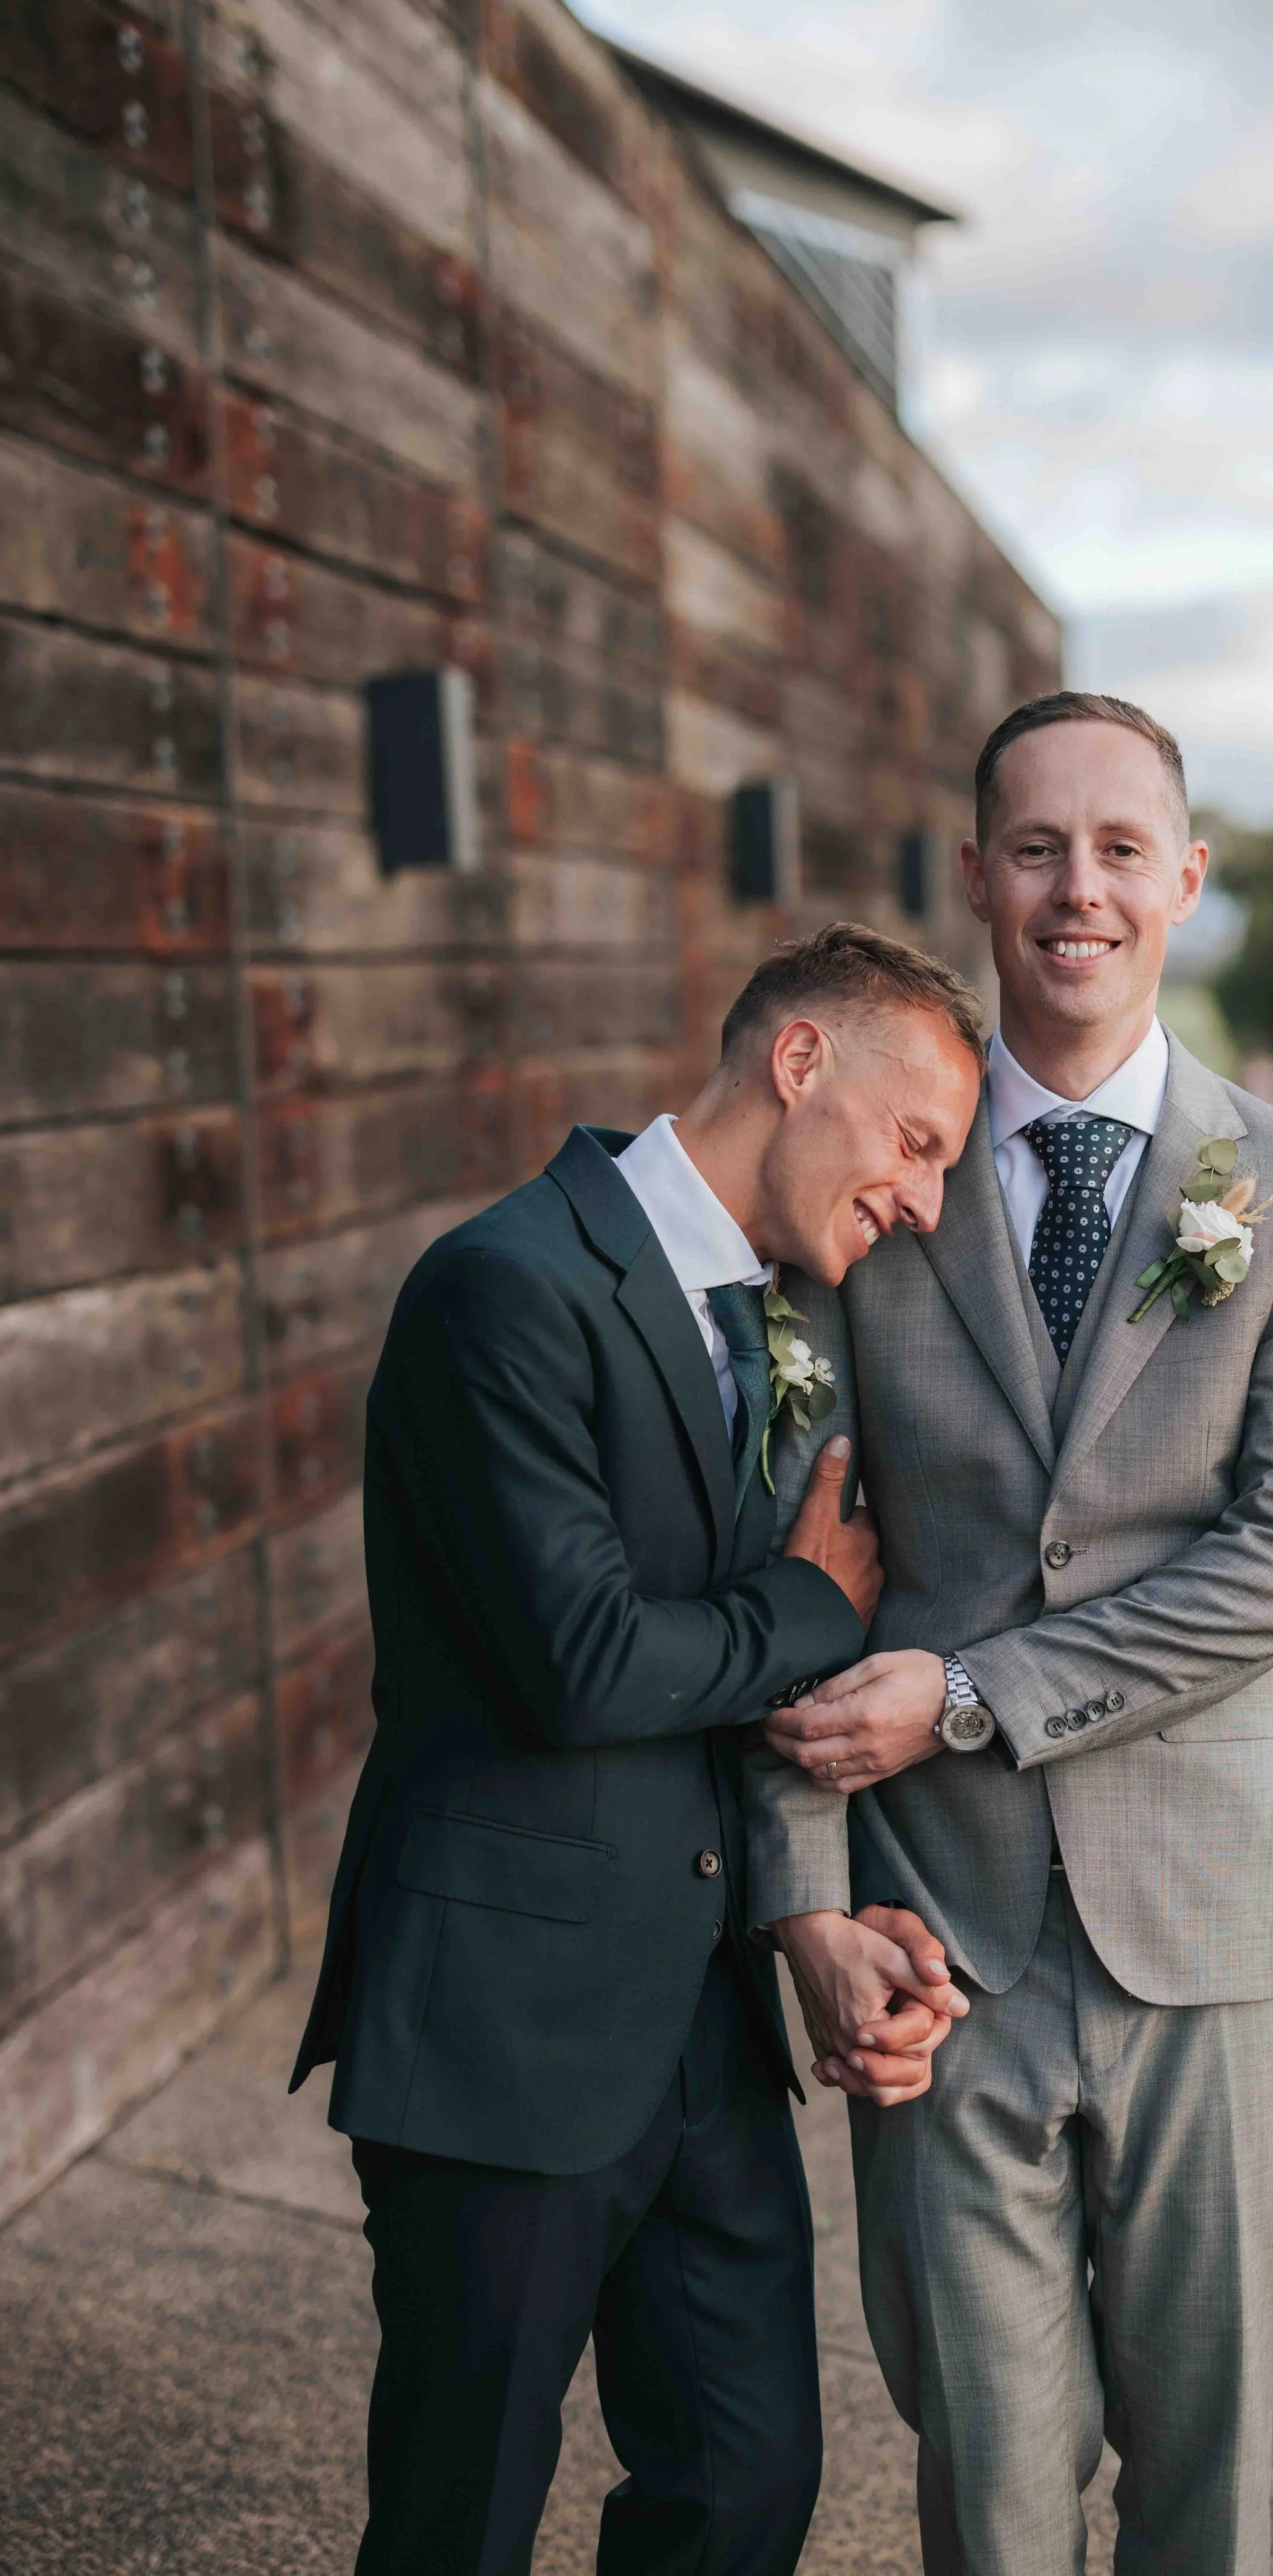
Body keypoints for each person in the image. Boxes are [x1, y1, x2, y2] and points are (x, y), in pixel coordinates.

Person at [753, 693, 1273, 2576]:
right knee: (987, 2485)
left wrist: (965, 1695)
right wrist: (802, 1893)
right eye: (1036, 844)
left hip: (1215, 1934)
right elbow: (791, 1555)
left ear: (1184, 880)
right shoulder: (873, 1179)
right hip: (938, 1940)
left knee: (1205, 2486)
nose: (1077, 887)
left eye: (1120, 847)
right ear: (973, 876)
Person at [290, 923, 983, 2576]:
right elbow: (582, 1662)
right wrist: (814, 1606)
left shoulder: (795, 1311)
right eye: (916, 1142)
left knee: (743, 2488)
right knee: (459, 2521)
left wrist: (809, 1912)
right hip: (498, 2023)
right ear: (798, 1061)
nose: (926, 1200)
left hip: (701, 2036)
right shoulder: (503, 1285)